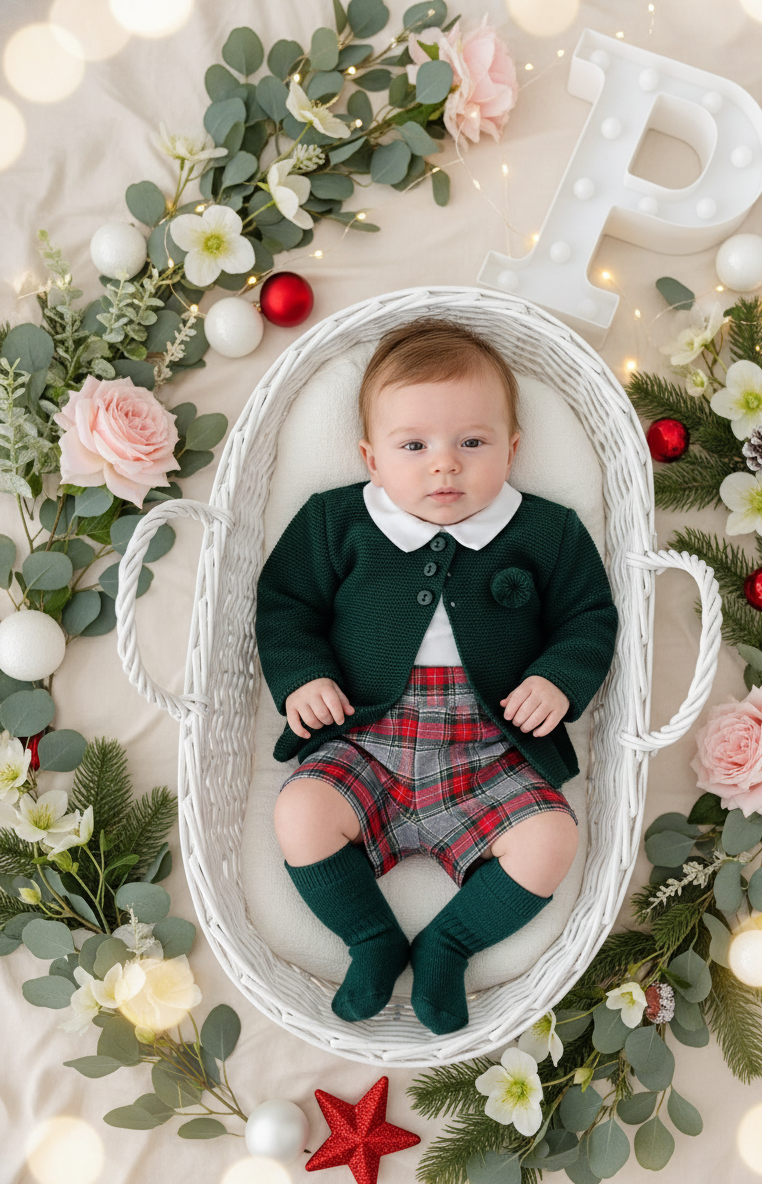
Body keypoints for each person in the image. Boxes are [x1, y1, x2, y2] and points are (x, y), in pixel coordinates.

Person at [255, 317, 618, 1035]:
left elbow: (589, 616)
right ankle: (372, 937)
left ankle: (448, 944)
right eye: (413, 446)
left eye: (472, 443)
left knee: (552, 841)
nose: (443, 466)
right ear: (371, 457)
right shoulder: (336, 523)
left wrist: (557, 677)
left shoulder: (548, 531)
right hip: (367, 739)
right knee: (299, 813)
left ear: (512, 450)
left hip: (490, 749)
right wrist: (304, 678)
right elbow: (284, 605)